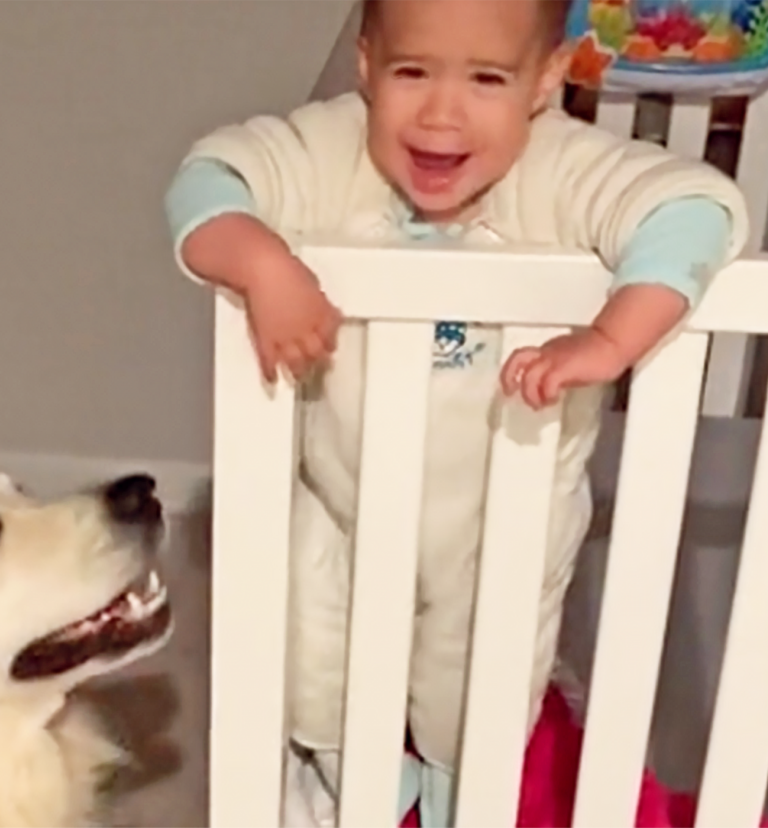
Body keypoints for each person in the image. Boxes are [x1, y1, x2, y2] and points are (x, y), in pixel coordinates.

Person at [163, 0, 751, 824]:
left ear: (546, 80)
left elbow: (697, 209)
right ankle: (353, 781)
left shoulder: (562, 169)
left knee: (474, 683)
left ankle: (452, 798)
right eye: (411, 72)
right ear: (366, 65)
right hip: (344, 494)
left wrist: (612, 338)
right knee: (303, 648)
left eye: (486, 78)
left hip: (503, 512)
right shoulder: (334, 150)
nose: (442, 114)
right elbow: (208, 180)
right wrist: (262, 264)